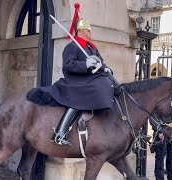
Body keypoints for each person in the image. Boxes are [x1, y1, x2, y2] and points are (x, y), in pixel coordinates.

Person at [41, 3, 114, 145]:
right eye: (88, 31)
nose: (90, 33)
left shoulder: (91, 47)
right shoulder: (72, 46)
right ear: (81, 31)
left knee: (107, 83)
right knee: (80, 97)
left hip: (90, 79)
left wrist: (105, 68)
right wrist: (85, 65)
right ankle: (60, 133)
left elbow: (100, 62)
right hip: (76, 81)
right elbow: (68, 65)